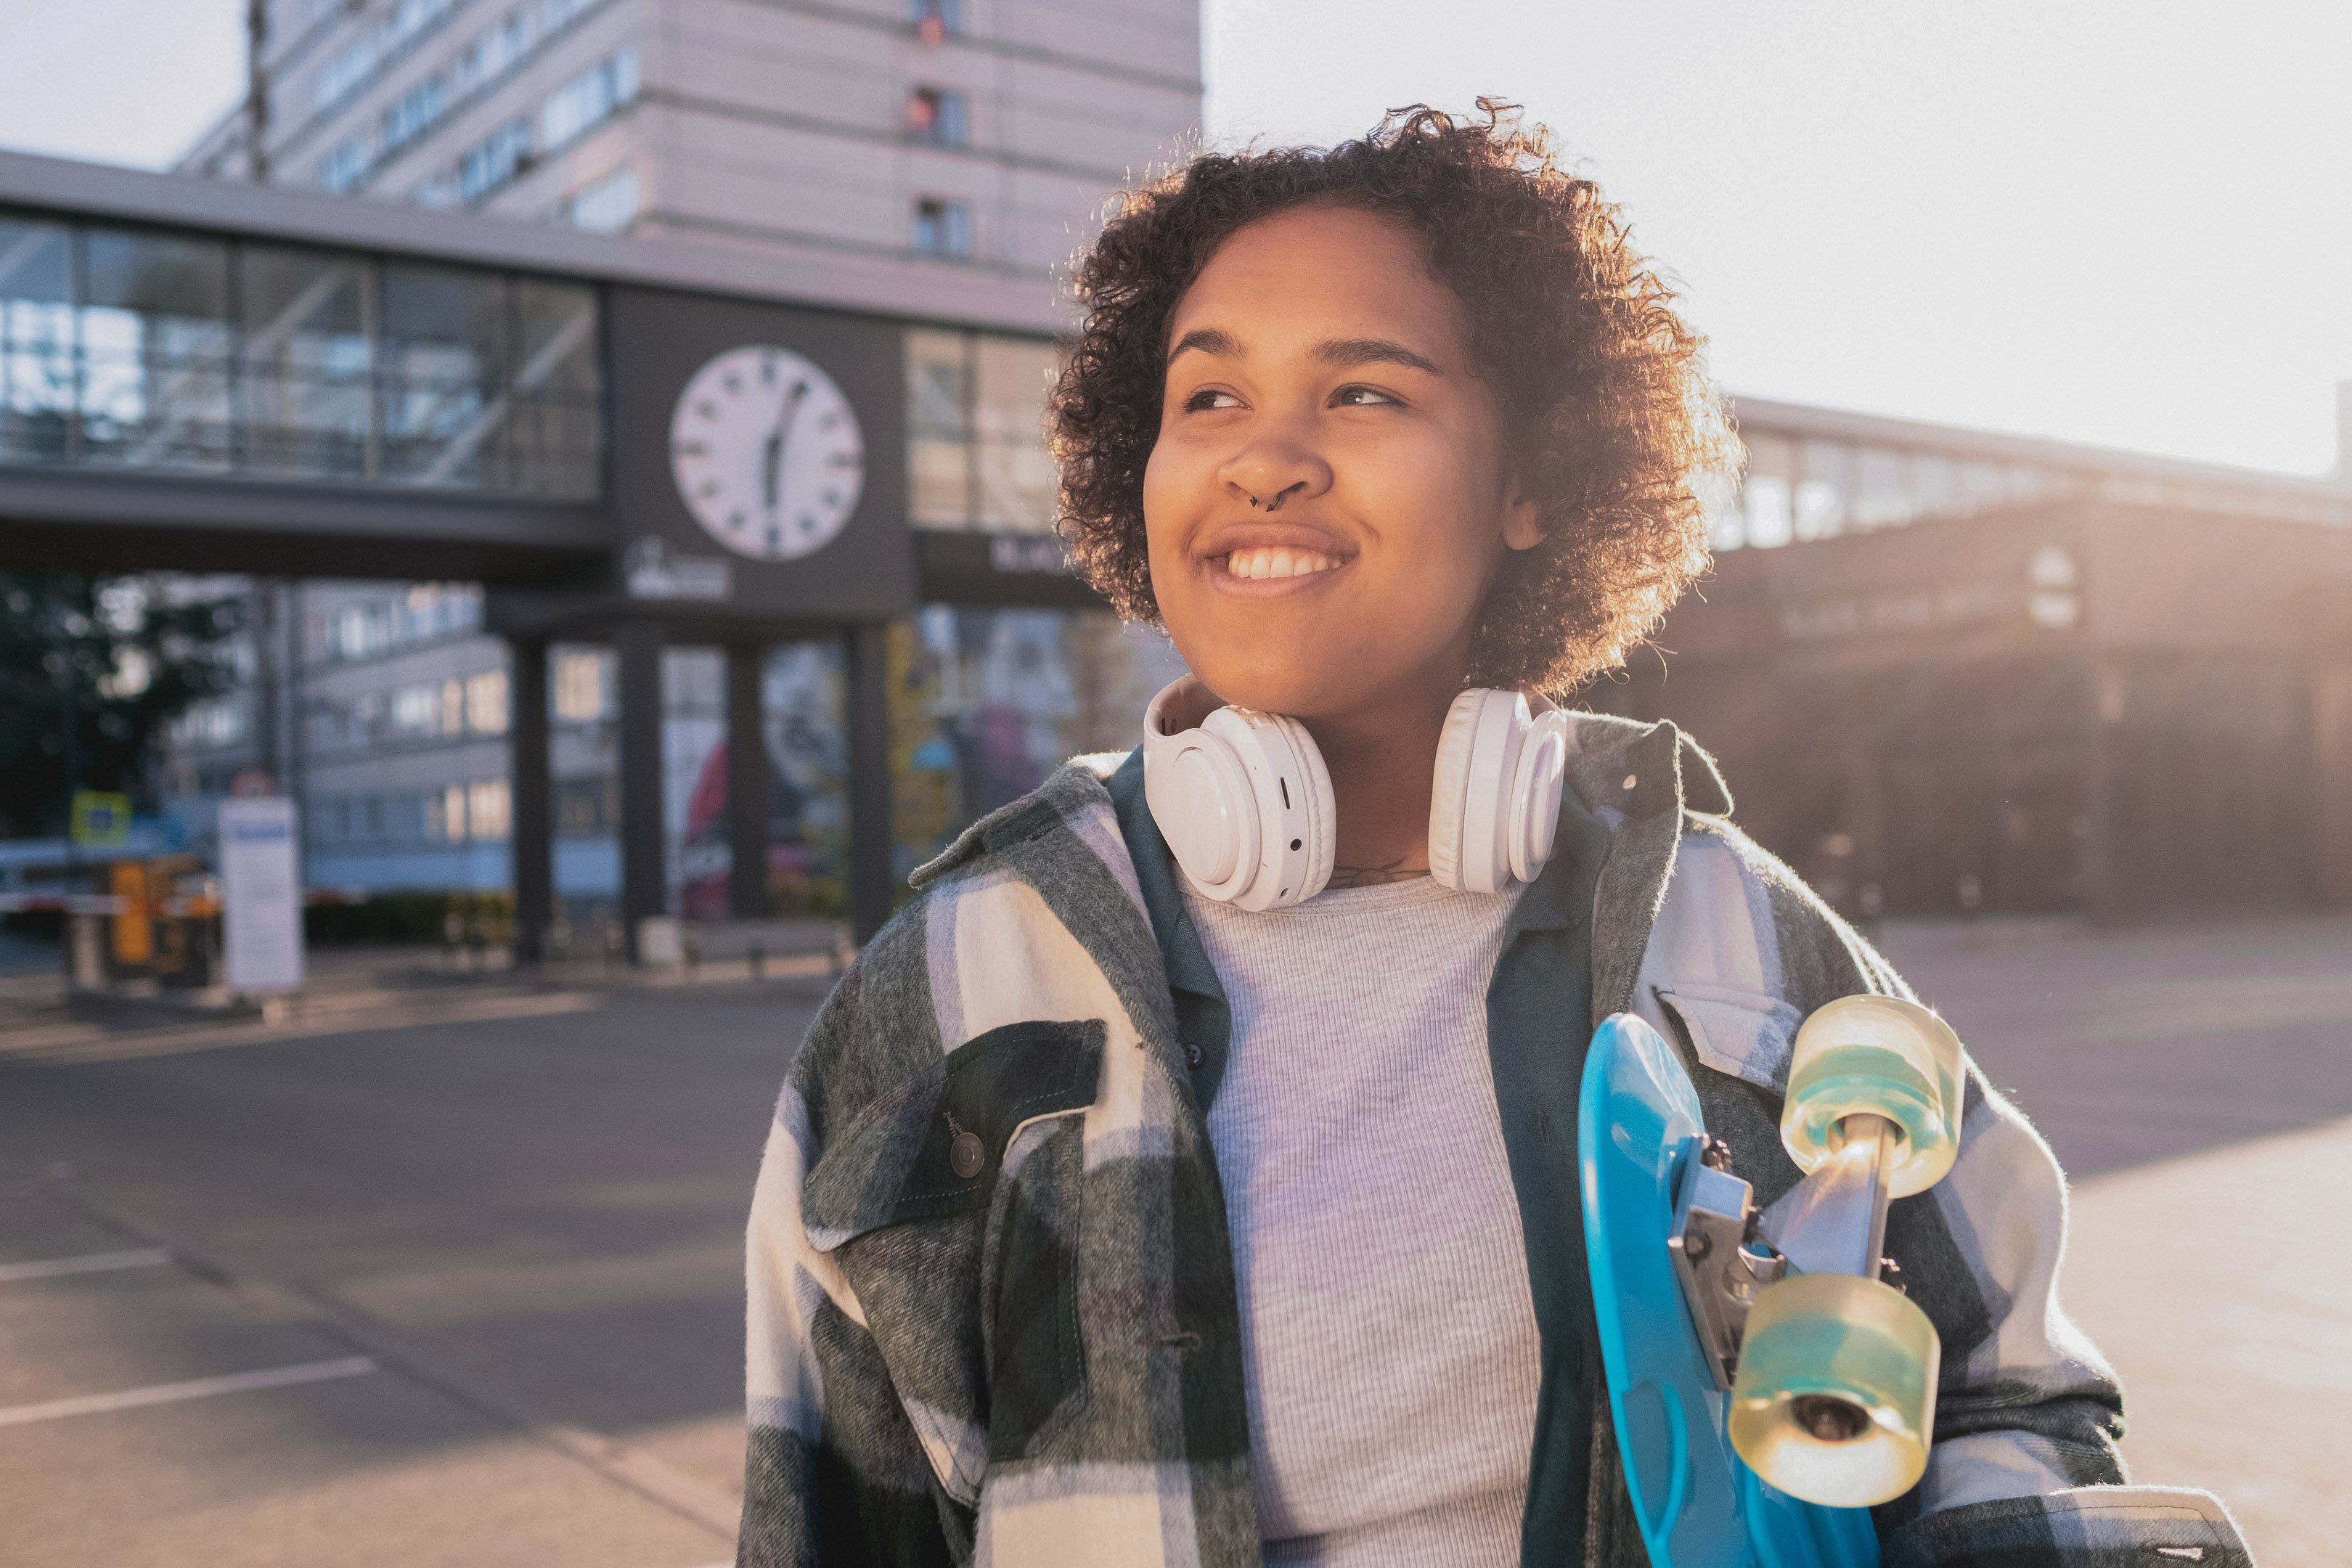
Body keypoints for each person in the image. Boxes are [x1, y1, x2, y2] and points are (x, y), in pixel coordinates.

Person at [738, 104, 2252, 1568]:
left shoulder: (1734, 937)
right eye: (1210, 397)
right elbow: (827, 1521)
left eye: (1362, 391)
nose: (1264, 457)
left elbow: (2010, 1395)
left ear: (1533, 481)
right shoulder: (951, 985)